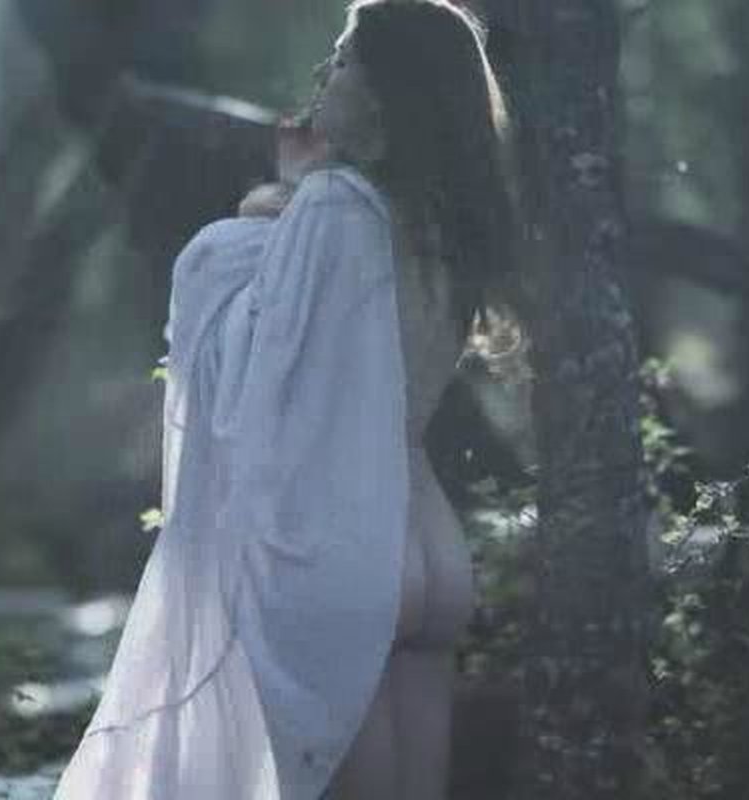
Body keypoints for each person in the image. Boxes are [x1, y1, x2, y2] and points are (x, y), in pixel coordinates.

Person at [52, 2, 516, 798]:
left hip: (345, 539)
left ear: (385, 93)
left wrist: (264, 207)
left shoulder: (337, 206)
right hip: (431, 541)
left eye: (345, 60)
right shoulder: (445, 224)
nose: (324, 74)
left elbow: (257, 370)